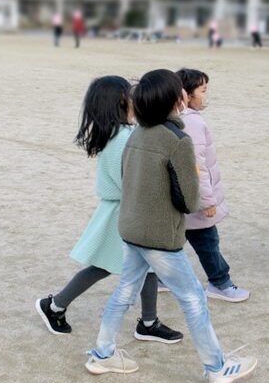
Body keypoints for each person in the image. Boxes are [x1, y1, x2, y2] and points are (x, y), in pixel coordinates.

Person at [86, 69, 257, 383]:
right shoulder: (178, 140)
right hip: (159, 235)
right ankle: (217, 367)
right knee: (193, 298)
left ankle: (102, 353)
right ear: (176, 100)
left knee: (125, 290)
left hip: (131, 227)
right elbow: (190, 199)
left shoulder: (136, 133)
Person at [36, 75, 182, 343]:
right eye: (130, 93)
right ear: (121, 101)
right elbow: (132, 180)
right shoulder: (126, 138)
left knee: (145, 265)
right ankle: (55, 305)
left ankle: (148, 321)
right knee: (104, 267)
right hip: (125, 212)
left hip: (123, 210)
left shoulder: (118, 134)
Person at [176, 68, 249, 303]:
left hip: (182, 199)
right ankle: (220, 282)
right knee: (208, 242)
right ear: (186, 95)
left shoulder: (178, 119)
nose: (205, 95)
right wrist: (208, 201)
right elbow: (197, 166)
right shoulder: (191, 123)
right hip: (196, 201)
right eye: (202, 91)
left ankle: (158, 277)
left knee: (173, 242)